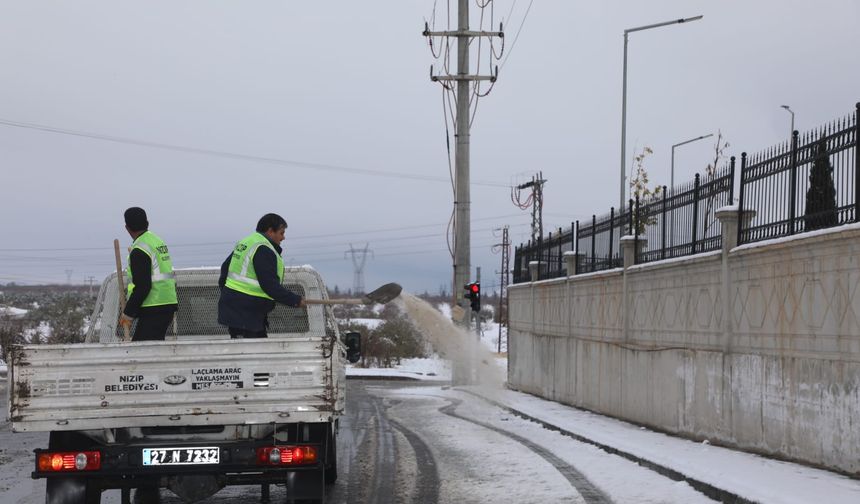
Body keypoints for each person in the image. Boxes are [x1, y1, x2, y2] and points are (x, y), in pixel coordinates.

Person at [218, 213, 305, 338]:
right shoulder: (263, 249)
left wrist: (228, 292)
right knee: (252, 353)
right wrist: (295, 300)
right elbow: (270, 285)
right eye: (281, 233)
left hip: (242, 312)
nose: (283, 237)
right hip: (246, 313)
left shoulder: (247, 242)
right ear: (270, 231)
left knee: (252, 351)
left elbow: (225, 268)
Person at [119, 207, 178, 342]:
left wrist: (128, 314)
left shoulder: (139, 249)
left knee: (143, 352)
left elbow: (143, 286)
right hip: (166, 302)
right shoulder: (156, 241)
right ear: (147, 223)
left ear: (127, 227)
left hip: (154, 305)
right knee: (150, 350)